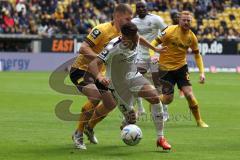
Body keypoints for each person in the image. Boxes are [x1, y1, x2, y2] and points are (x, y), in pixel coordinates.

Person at [88, 22, 171, 150]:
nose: (135, 40)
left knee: (155, 98)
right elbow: (93, 64)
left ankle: (160, 138)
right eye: (131, 38)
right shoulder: (113, 47)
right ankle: (89, 128)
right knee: (132, 119)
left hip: (133, 76)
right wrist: (99, 77)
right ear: (124, 37)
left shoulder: (135, 36)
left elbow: (140, 39)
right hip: (117, 86)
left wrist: (154, 49)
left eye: (135, 37)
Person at [70, 3, 133, 150]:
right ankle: (78, 134)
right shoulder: (101, 29)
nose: (130, 22)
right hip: (82, 70)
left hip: (99, 73)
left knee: (111, 104)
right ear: (117, 16)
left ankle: (89, 128)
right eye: (127, 19)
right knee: (95, 97)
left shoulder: (123, 35)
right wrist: (101, 57)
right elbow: (83, 48)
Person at [150, 11, 209, 128]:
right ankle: (154, 99)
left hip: (181, 67)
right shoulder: (169, 31)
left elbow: (197, 55)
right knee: (167, 99)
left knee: (189, 94)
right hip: (165, 69)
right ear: (179, 20)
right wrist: (152, 55)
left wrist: (202, 72)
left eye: (189, 20)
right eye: (184, 20)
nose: (186, 22)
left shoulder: (192, 37)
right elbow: (154, 42)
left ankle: (199, 121)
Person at [131, 1, 168, 117]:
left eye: (143, 7)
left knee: (157, 83)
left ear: (147, 8)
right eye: (139, 7)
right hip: (140, 55)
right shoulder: (133, 22)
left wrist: (161, 46)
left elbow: (167, 32)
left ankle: (164, 110)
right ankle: (141, 108)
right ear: (136, 9)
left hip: (155, 55)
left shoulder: (156, 19)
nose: (141, 9)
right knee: (134, 80)